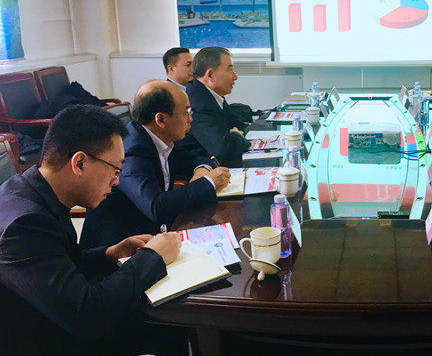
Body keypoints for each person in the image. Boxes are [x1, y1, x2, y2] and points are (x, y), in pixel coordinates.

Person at [0, 105, 186, 356]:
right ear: (79, 163)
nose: (117, 181)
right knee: (171, 325)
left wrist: (109, 253)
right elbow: (89, 314)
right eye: (115, 169)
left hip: (58, 318)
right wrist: (153, 257)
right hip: (45, 339)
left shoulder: (36, 190)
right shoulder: (24, 224)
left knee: (171, 321)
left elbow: (58, 265)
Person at [80, 81, 230, 251]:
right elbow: (156, 207)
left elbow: (197, 157)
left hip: (152, 235)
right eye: (186, 113)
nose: (191, 119)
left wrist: (202, 171)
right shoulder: (132, 151)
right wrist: (208, 183)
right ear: (161, 119)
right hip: (117, 250)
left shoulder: (164, 138)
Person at [183, 46, 251, 167]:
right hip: (199, 170)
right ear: (210, 74)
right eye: (229, 70)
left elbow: (240, 126)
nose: (235, 77)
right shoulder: (199, 103)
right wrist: (236, 134)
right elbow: (224, 149)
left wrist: (234, 134)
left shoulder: (211, 95)